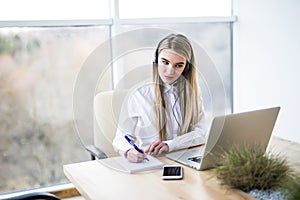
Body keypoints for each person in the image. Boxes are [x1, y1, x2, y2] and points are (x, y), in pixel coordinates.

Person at [112, 33, 207, 163]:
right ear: (156, 60)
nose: (170, 71)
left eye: (178, 65)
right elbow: (121, 138)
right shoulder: (139, 94)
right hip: (152, 161)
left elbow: (201, 132)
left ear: (187, 67)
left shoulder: (193, 93)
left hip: (185, 159)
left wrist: (171, 144)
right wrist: (129, 151)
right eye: (165, 62)